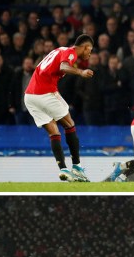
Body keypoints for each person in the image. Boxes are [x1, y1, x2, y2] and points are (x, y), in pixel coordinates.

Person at [24, 34, 94, 182]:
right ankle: (77, 167)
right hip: (45, 92)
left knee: (54, 132)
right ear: (86, 47)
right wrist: (81, 72)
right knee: (70, 124)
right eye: (90, 50)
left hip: (30, 96)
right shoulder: (71, 53)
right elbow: (63, 66)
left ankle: (63, 169)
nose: (90, 53)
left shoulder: (59, 50)